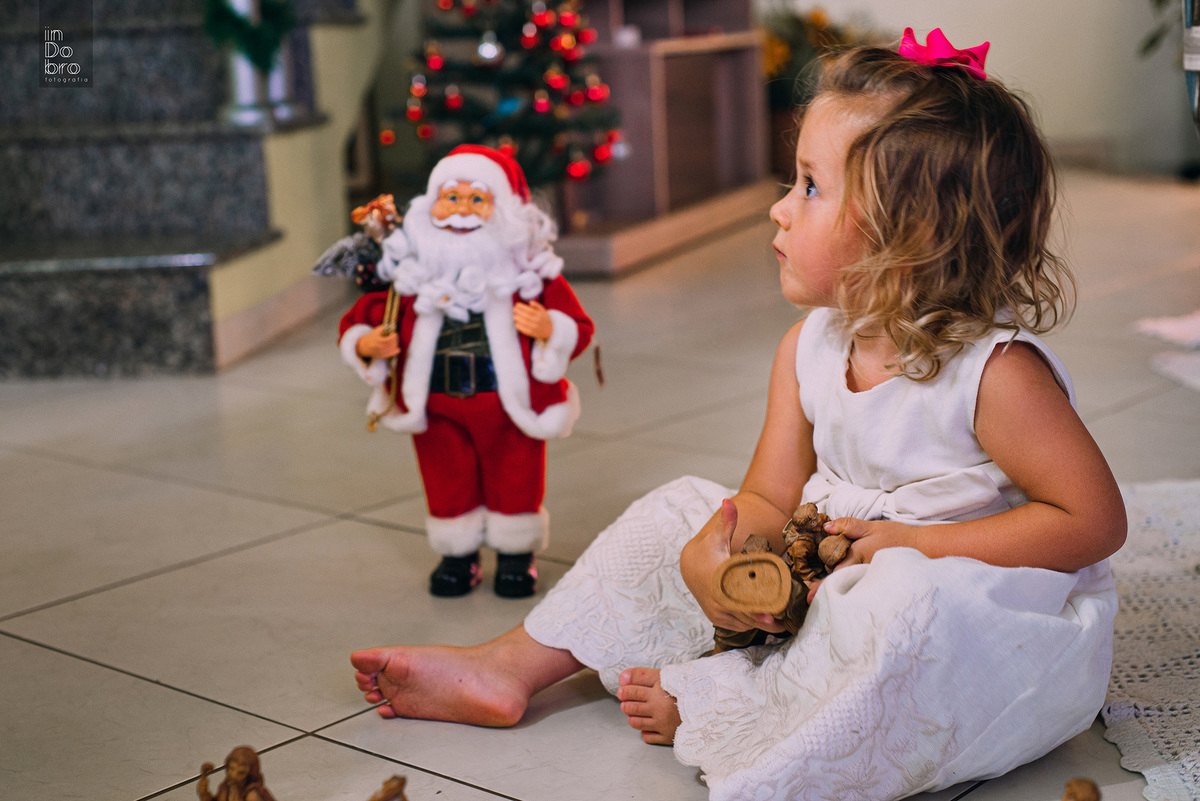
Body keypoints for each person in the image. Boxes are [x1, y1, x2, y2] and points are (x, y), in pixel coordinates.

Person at [350, 29, 1127, 800]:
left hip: (961, 600)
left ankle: (746, 702)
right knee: (671, 512)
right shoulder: (809, 348)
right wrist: (717, 555)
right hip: (826, 573)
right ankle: (511, 665)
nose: (780, 211)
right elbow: (765, 497)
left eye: (810, 187)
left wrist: (915, 544)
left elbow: (1091, 523)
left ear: (909, 235)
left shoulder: (994, 374)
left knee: (901, 601)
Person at [338, 145, 594, 598]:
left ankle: (516, 557)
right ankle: (458, 556)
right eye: (450, 197)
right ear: (428, 207)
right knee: (445, 475)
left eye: (477, 199)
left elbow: (578, 325)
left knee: (515, 474)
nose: (461, 210)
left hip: (509, 404)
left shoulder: (529, 277)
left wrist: (551, 327)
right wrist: (364, 343)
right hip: (437, 404)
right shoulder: (413, 277)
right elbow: (364, 315)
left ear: (506, 214)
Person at [196, 746, 276, 801]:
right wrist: (205, 794)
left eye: (241, 772)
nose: (234, 775)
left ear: (250, 774)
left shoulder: (252, 795)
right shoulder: (226, 787)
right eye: (231, 769)